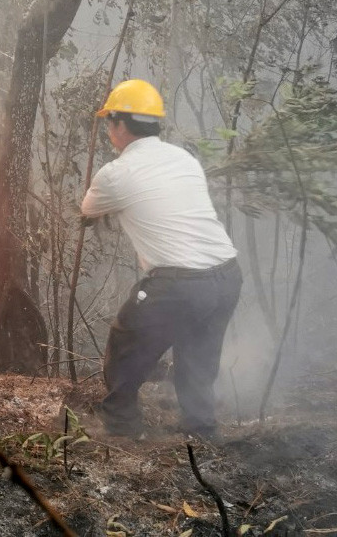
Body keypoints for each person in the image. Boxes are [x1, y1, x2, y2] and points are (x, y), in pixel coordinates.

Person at [80, 79, 242, 439]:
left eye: (109, 121)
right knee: (198, 355)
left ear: (120, 125)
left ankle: (122, 427)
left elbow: (88, 209)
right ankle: (200, 430)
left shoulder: (116, 173)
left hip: (179, 283)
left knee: (126, 342)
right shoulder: (183, 158)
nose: (108, 128)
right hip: (227, 276)